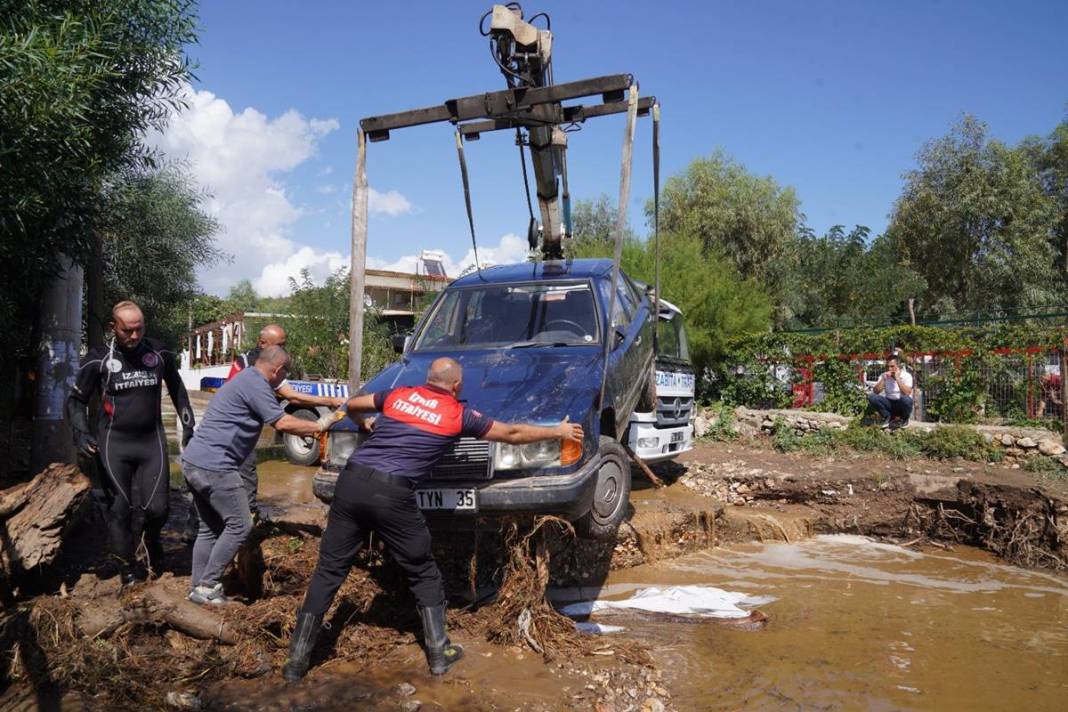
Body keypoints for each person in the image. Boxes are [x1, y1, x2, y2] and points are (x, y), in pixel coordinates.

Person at [282, 357, 584, 681]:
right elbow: (510, 432)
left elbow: (352, 403)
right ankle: (440, 654)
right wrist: (558, 430)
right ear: (456, 386)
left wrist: (363, 424)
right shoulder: (457, 414)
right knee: (423, 571)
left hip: (351, 482)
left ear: (428, 378)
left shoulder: (397, 395)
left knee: (329, 570)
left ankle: (296, 663)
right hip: (392, 495)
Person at [180, 346, 325, 605]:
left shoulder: (246, 377)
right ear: (277, 370)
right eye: (284, 376)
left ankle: (196, 588)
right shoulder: (256, 385)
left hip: (194, 461)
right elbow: (281, 422)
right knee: (240, 524)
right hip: (217, 466)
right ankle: (208, 585)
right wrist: (319, 426)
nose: (284, 382)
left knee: (209, 528)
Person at [67, 301, 196, 584]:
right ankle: (127, 570)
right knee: (119, 510)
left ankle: (151, 540)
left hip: (151, 442)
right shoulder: (98, 359)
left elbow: (177, 389)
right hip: (114, 444)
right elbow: (75, 400)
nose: (135, 336)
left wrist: (188, 426)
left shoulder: (158, 352)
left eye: (140, 329)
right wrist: (81, 434)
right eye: (128, 331)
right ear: (114, 328)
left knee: (158, 509)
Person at [225, 324, 346, 514]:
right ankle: (245, 526)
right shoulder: (248, 364)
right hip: (232, 433)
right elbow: (280, 421)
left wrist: (329, 400)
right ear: (263, 343)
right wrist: (320, 425)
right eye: (279, 345)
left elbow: (293, 396)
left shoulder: (269, 363)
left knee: (233, 479)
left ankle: (239, 522)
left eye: (284, 345)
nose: (283, 349)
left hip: (243, 434)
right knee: (240, 480)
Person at [867, 355, 914, 430]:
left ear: (898, 366)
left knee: (906, 399)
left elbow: (907, 393)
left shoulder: (906, 376)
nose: (889, 369)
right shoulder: (884, 375)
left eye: (892, 366)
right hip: (889, 402)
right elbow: (876, 391)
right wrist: (883, 379)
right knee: (871, 397)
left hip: (901, 403)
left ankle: (904, 419)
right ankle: (887, 417)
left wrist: (897, 378)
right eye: (887, 366)